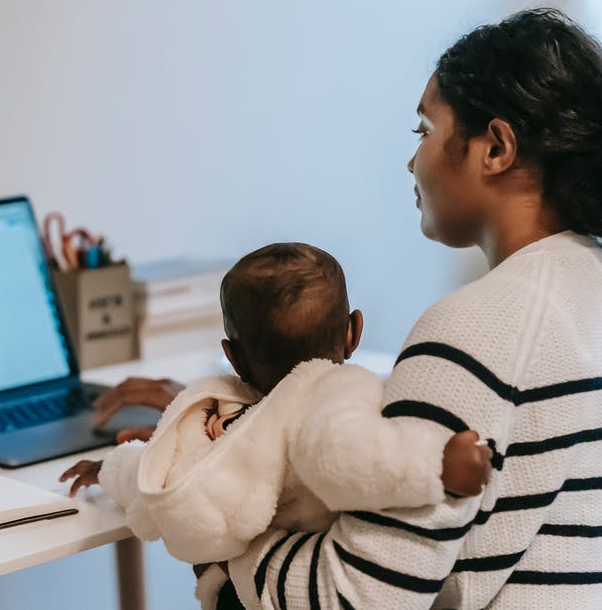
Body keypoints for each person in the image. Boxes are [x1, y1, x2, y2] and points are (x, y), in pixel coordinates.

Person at [92, 8, 602, 608]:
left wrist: (213, 508)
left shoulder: (475, 328)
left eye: (424, 132)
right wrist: (249, 425)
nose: (413, 162)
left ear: (494, 147)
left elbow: (350, 598)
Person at [62, 243, 491, 609]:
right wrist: (437, 463)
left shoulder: (221, 422)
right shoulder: (333, 397)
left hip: (241, 590)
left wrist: (108, 469)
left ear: (233, 357)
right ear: (353, 332)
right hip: (291, 583)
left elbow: (157, 478)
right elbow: (356, 460)